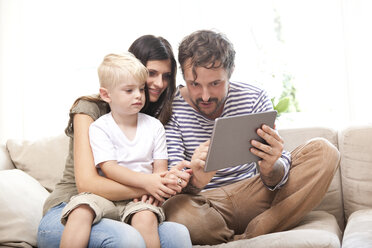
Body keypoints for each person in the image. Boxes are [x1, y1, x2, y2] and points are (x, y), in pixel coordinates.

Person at [162, 30, 341, 245]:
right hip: (204, 202)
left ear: (231, 72)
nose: (205, 95)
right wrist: (196, 180)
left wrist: (271, 168)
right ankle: (255, 233)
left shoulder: (254, 97)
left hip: (254, 192)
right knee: (176, 213)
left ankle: (250, 235)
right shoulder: (170, 108)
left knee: (325, 151)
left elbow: (277, 175)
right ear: (183, 74)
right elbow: (172, 179)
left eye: (215, 83)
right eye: (195, 84)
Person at [37, 35, 192, 248]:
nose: (159, 83)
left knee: (178, 234)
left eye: (166, 76)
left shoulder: (150, 120)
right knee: (127, 239)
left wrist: (169, 182)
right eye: (151, 74)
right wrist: (151, 185)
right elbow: (87, 185)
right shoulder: (91, 112)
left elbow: (158, 173)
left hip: (129, 206)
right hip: (72, 205)